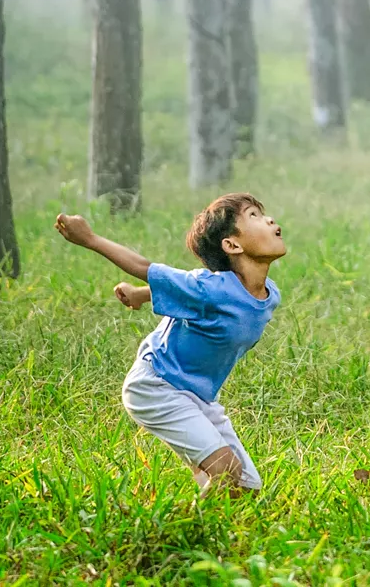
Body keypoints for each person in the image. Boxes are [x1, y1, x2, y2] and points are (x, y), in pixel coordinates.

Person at [54, 195, 287, 492]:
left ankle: (207, 494)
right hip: (157, 386)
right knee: (226, 472)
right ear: (232, 245)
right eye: (254, 215)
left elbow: (189, 296)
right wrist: (89, 239)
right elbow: (145, 267)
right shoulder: (209, 288)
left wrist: (140, 294)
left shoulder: (269, 295)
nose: (268, 219)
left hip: (199, 397)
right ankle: (181, 519)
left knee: (245, 486)